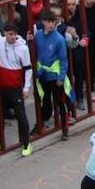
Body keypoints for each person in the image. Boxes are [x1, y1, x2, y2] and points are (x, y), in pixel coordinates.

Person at [0, 28, 33, 156]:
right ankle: (0, 140)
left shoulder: (23, 48)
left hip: (15, 87)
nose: (13, 37)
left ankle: (27, 143)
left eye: (15, 34)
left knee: (21, 115)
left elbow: (28, 69)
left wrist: (26, 88)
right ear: (5, 33)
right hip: (1, 86)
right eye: (10, 34)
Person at [35, 9, 73, 139]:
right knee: (44, 100)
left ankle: (65, 128)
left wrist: (61, 77)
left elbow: (63, 59)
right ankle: (41, 124)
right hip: (43, 74)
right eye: (48, 22)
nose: (51, 24)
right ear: (43, 22)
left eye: (53, 22)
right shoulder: (38, 35)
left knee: (60, 102)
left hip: (54, 75)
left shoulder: (59, 39)